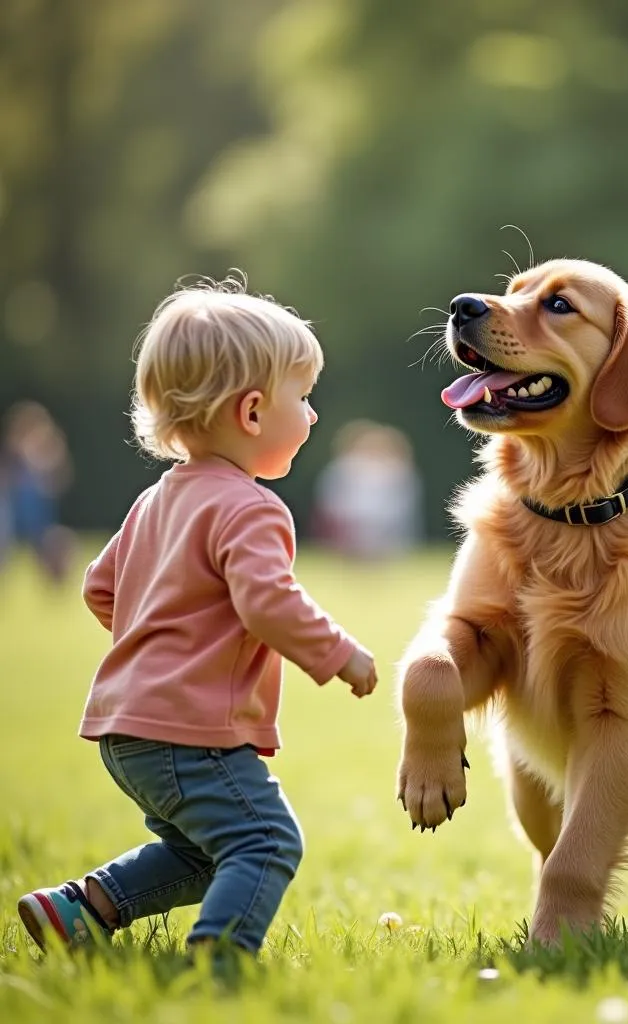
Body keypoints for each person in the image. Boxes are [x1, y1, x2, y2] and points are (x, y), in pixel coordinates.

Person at [17, 276, 378, 959]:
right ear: (251, 413)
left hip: (126, 729)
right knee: (265, 842)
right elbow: (268, 603)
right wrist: (340, 655)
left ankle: (79, 910)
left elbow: (101, 588)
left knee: (206, 853)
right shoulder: (251, 508)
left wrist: (156, 650)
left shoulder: (157, 500)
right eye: (303, 399)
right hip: (191, 731)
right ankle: (218, 957)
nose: (313, 416)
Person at [311, 420, 423, 559]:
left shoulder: (398, 472)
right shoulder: (343, 469)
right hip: (350, 526)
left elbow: (401, 506)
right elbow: (331, 500)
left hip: (386, 529)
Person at [0, 400, 75, 582]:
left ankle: (56, 580)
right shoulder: (14, 457)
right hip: (16, 513)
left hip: (40, 518)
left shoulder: (48, 455)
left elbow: (61, 479)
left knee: (57, 542)